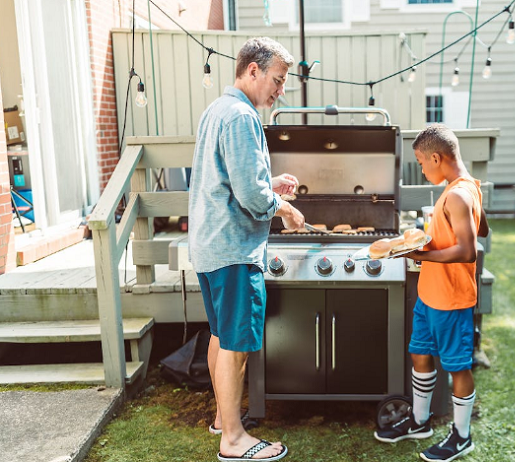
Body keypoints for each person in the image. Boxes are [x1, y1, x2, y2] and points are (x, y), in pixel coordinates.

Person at [188, 37, 305, 462]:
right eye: (277, 80)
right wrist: (286, 210)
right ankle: (234, 440)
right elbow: (253, 200)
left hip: (209, 246)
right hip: (233, 249)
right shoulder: (241, 116)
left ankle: (224, 419)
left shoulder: (217, 111)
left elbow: (230, 180)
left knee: (221, 336)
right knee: (236, 344)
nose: (281, 90)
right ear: (252, 71)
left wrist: (269, 183)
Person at [374, 124, 489, 462]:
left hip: (452, 299)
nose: (422, 169)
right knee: (420, 355)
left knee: (457, 367)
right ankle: (420, 422)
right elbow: (482, 226)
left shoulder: (458, 194)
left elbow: (468, 250)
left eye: (422, 163)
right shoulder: (465, 189)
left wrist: (418, 255)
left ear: (437, 157)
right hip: (429, 295)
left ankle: (461, 436)